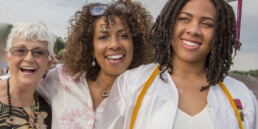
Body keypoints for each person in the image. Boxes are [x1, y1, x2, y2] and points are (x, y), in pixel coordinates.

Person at [100, 0, 258, 129]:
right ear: (169, 24)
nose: (194, 30)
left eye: (207, 24)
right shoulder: (132, 83)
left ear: (219, 33)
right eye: (184, 19)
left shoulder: (241, 95)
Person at [36, 0, 153, 128]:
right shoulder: (61, 78)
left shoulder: (147, 96)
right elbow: (17, 88)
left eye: (123, 35)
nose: (114, 44)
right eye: (103, 37)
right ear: (91, 48)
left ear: (135, 44)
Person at [0, 20, 53, 129]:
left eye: (38, 52)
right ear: (8, 57)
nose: (29, 59)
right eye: (20, 50)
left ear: (48, 63)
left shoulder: (51, 112)